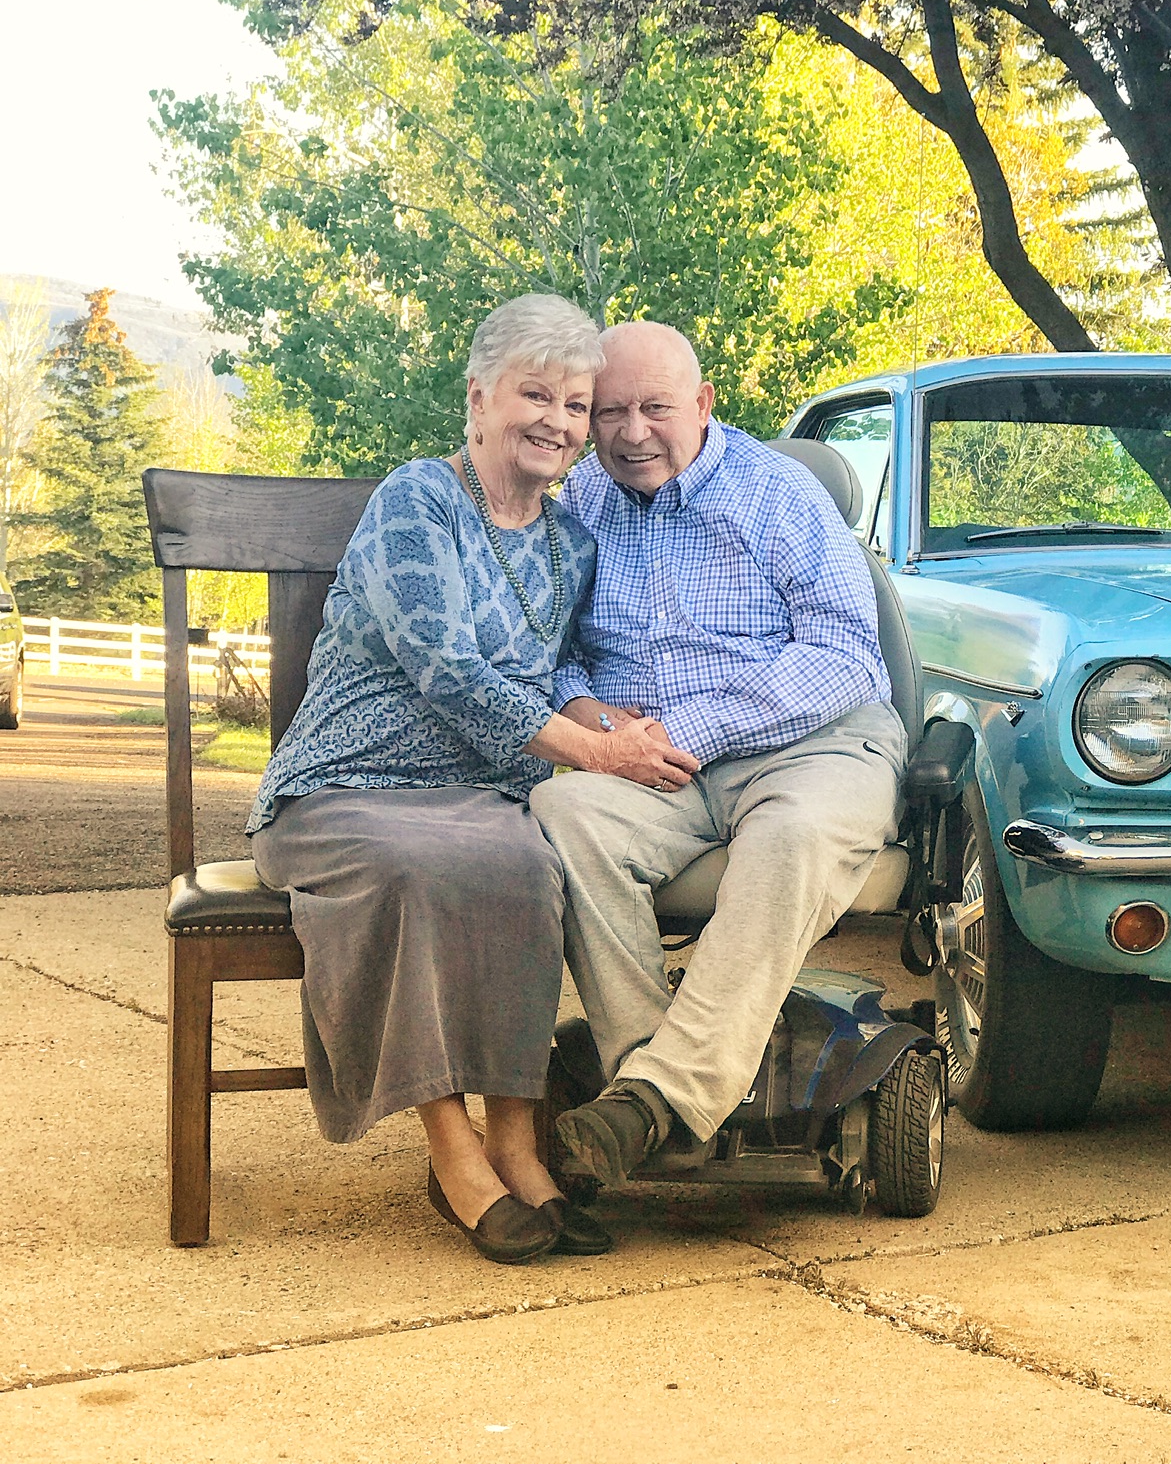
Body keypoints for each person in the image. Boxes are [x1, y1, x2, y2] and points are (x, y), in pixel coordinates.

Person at [249, 294, 696, 1264]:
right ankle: (454, 1155)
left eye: (574, 406)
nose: (558, 423)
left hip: (484, 794)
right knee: (416, 869)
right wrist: (596, 754)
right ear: (480, 397)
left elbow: (560, 676)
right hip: (346, 787)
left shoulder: (572, 545)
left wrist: (620, 728)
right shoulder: (419, 499)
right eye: (537, 395)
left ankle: (516, 1144)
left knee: (529, 867)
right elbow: (446, 667)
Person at [529, 320, 905, 1187]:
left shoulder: (779, 493)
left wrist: (690, 729)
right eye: (609, 412)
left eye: (655, 408)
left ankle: (654, 1100)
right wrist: (592, 721)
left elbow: (845, 654)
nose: (631, 433)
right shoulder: (578, 506)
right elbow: (551, 652)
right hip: (647, 763)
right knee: (559, 811)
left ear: (702, 403)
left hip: (811, 744)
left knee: (789, 835)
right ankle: (650, 1094)